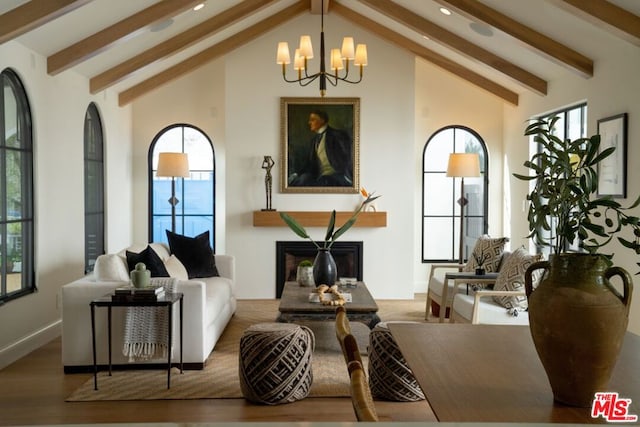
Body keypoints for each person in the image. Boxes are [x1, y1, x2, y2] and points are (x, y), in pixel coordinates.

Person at [288, 110, 353, 187]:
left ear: (322, 120)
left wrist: (347, 176)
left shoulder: (338, 135)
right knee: (302, 179)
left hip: (337, 177)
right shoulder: (314, 140)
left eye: (312, 119)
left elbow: (349, 157)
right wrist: (296, 174)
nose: (309, 122)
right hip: (319, 177)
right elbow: (310, 163)